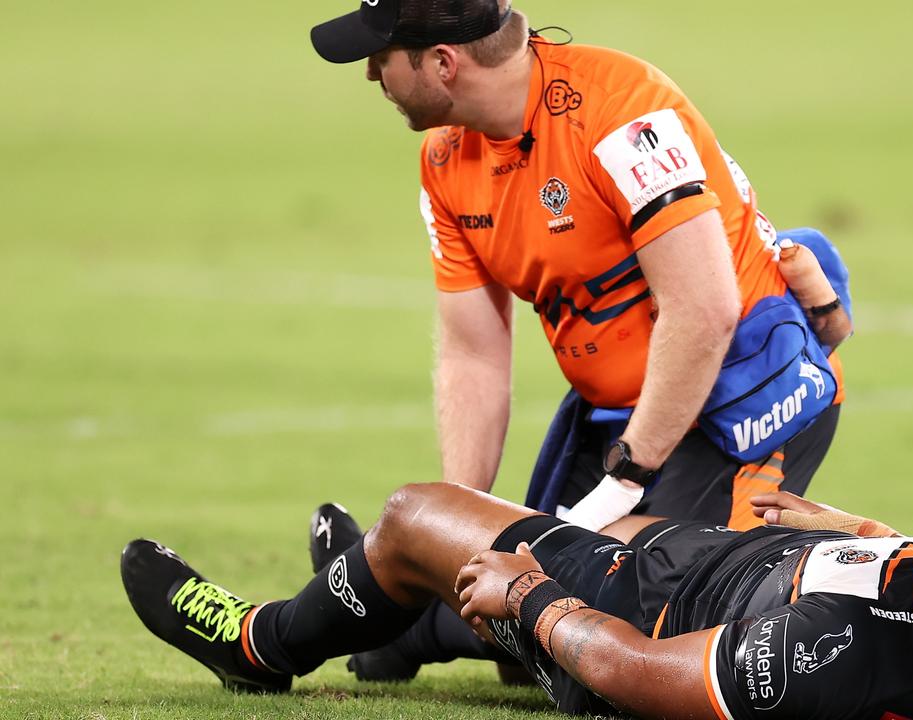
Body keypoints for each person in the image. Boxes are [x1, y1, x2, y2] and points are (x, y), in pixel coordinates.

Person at [307, 0, 854, 533]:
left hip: (740, 395)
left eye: (384, 54)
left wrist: (623, 482)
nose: (372, 71)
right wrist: (457, 524)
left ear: (443, 63)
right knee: (503, 587)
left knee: (614, 606)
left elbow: (704, 313)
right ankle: (366, 595)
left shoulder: (620, 114)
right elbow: (474, 351)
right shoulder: (446, 159)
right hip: (617, 411)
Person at [121, 483, 913, 719]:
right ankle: (386, 611)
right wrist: (856, 534)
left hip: (641, 615)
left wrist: (534, 602)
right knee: (473, 560)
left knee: (415, 515)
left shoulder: (829, 652)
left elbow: (627, 671)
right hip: (719, 565)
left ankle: (265, 642)